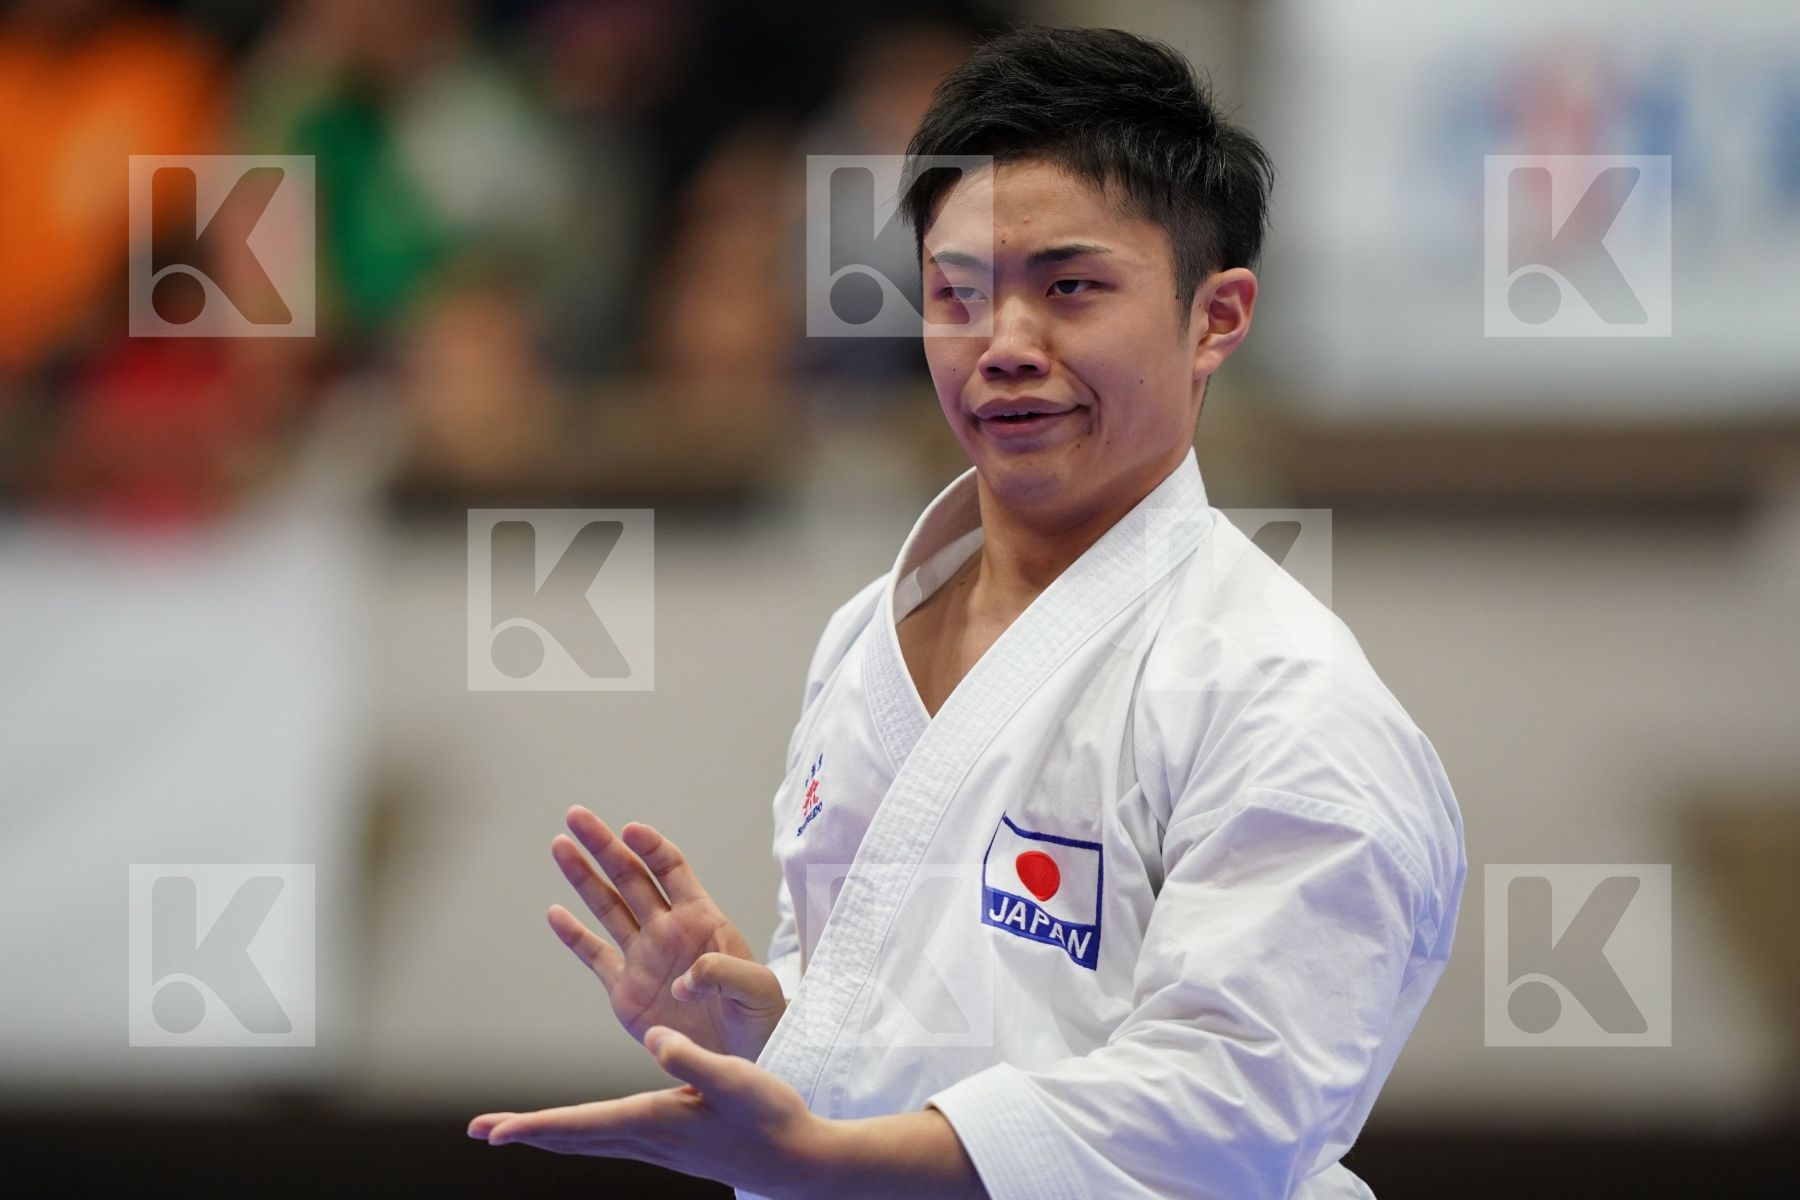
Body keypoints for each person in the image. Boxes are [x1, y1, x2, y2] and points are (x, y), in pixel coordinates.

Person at [469, 26, 1467, 1200]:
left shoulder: (1285, 697)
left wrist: (834, 1162)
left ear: (1218, 317)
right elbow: (910, 1032)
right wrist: (758, 1015)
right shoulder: (864, 637)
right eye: (958, 295)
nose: (1003, 348)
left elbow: (1227, 1110)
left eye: (1071, 288)